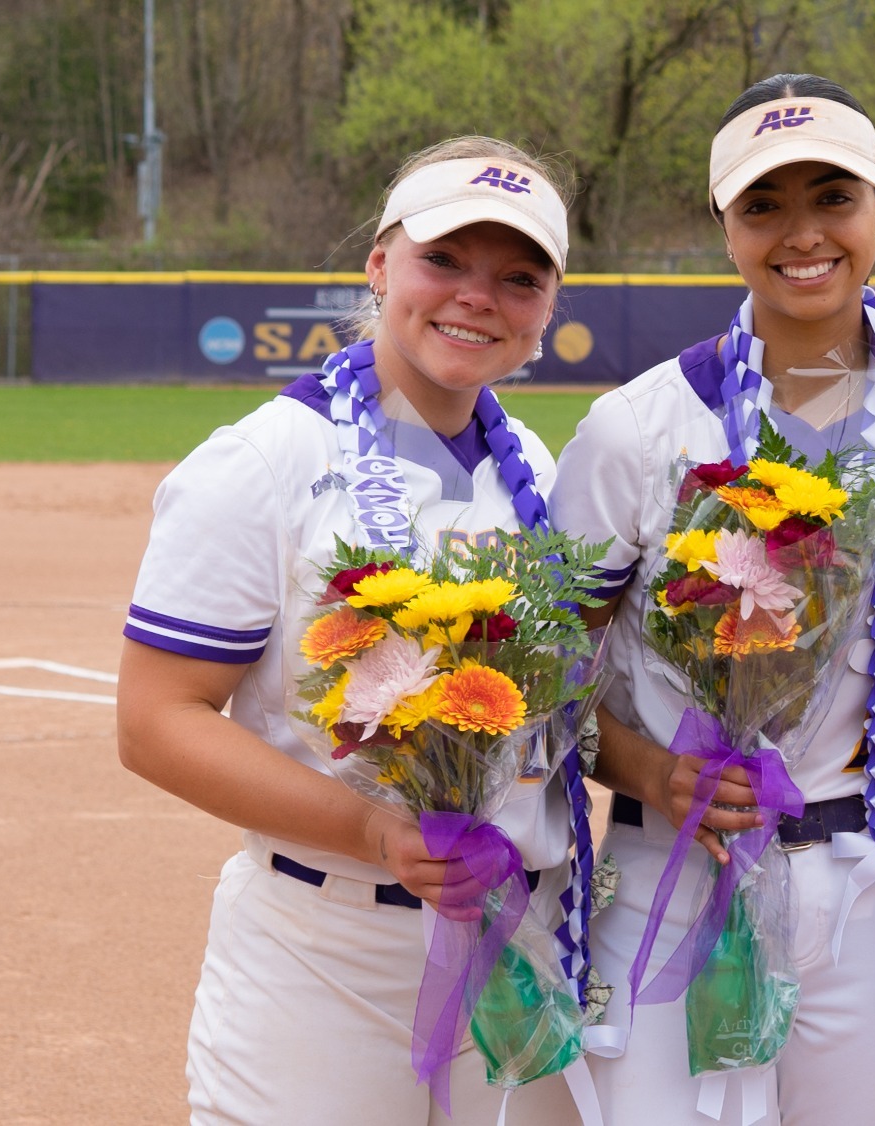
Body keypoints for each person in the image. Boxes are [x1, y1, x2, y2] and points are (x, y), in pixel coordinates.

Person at [549, 74, 875, 1126]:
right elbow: (546, 677)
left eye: (833, 197)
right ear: (724, 227)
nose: (801, 233)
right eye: (764, 204)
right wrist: (655, 772)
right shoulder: (636, 430)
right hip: (675, 877)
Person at [116, 136, 593, 1125]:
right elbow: (157, 718)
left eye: (517, 275)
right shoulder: (263, 461)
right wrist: (377, 827)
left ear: (547, 306)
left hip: (514, 936)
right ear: (380, 265)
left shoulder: (536, 472)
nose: (476, 295)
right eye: (444, 260)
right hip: (322, 950)